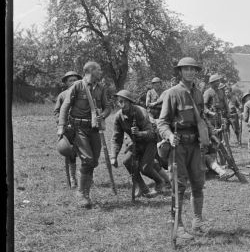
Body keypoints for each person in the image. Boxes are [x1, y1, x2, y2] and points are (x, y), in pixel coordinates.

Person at [158, 57, 212, 240]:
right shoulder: (172, 93)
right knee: (178, 185)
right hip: (178, 145)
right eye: (185, 69)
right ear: (180, 72)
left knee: (198, 183)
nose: (189, 72)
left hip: (195, 144)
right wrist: (170, 136)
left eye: (192, 69)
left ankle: (197, 221)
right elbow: (162, 122)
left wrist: (207, 137)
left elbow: (201, 118)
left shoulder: (198, 93)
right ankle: (177, 224)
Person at [57, 62, 111, 208]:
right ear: (91, 71)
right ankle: (81, 193)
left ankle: (86, 194)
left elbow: (107, 107)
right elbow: (65, 106)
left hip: (94, 128)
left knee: (93, 161)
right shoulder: (78, 86)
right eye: (99, 69)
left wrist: (103, 115)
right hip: (78, 128)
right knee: (87, 159)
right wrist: (61, 126)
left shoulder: (101, 88)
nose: (101, 72)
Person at [110, 90, 169, 198]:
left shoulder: (140, 112)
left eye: (123, 101)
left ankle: (160, 182)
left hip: (149, 142)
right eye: (119, 101)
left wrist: (139, 133)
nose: (121, 104)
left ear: (130, 102)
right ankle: (142, 187)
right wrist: (114, 156)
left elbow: (151, 133)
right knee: (127, 161)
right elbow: (116, 137)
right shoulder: (118, 116)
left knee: (145, 168)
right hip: (135, 143)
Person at [54, 70, 82, 188]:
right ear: (66, 83)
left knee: (85, 152)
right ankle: (72, 178)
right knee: (70, 153)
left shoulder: (83, 93)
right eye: (70, 80)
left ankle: (86, 177)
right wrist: (62, 123)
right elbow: (56, 112)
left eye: (75, 80)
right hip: (68, 129)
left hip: (82, 127)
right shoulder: (62, 95)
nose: (73, 82)